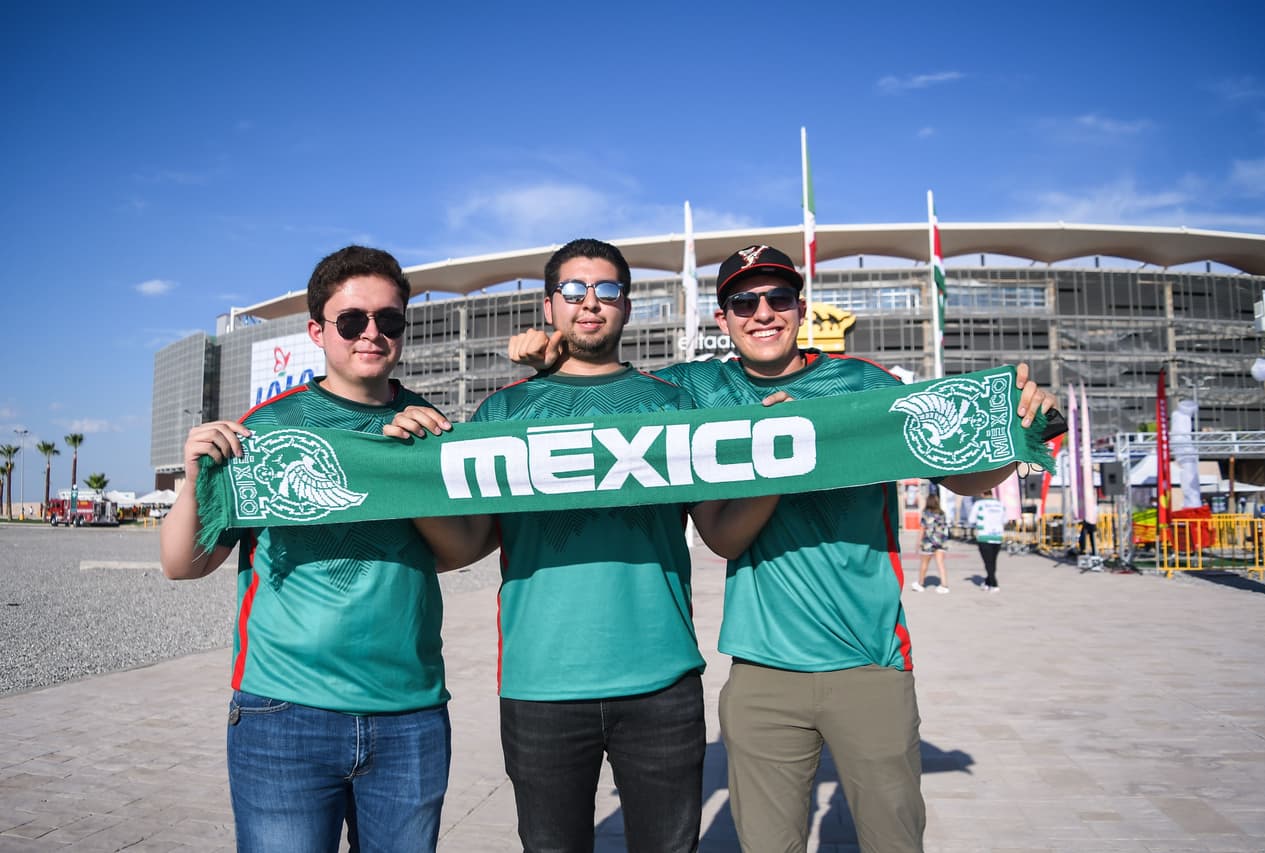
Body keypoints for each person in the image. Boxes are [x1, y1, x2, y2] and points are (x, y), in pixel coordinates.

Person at [509, 243, 1058, 853]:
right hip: (761, 669)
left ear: (800, 309)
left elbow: (958, 473)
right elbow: (612, 389)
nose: (762, 312)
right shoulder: (697, 390)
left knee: (894, 841)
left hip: (868, 661)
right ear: (722, 318)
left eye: (778, 298)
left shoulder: (860, 384)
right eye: (744, 300)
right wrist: (550, 358)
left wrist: (1015, 433)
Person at [386, 238, 776, 853]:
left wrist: (775, 469)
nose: (589, 303)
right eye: (573, 290)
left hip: (662, 683)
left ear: (628, 305)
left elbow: (722, 537)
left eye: (607, 290)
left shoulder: (672, 406)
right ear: (549, 305)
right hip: (541, 685)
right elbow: (465, 547)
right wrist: (408, 474)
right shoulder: (504, 412)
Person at [160, 245, 457, 852]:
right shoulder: (266, 428)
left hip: (409, 714)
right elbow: (184, 564)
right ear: (317, 331)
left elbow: (460, 551)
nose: (372, 333)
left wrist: (411, 472)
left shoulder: (428, 424)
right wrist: (194, 477)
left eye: (389, 320)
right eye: (352, 321)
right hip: (283, 712)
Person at [968, 489, 1007, 592]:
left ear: (982, 493)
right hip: (998, 536)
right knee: (993, 562)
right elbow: (1005, 520)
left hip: (984, 536)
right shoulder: (1000, 504)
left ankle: (994, 584)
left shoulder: (979, 504)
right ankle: (987, 582)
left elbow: (971, 520)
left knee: (988, 563)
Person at [913, 492, 950, 593]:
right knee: (941, 564)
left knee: (924, 564)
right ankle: (944, 585)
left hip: (928, 542)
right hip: (941, 541)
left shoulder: (926, 513)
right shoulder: (942, 513)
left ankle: (920, 584)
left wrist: (918, 543)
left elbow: (922, 529)